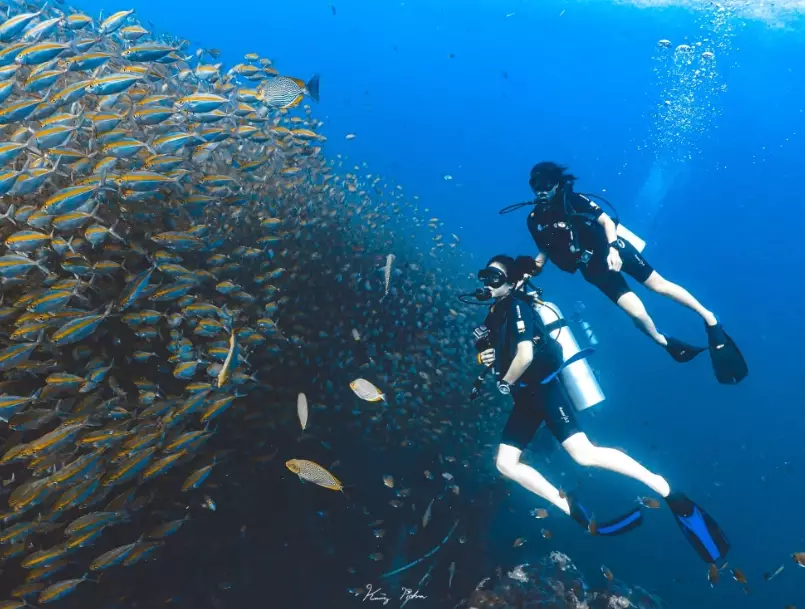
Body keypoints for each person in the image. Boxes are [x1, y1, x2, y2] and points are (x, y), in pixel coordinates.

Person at [475, 254, 730, 563]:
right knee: (505, 464)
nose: (488, 283)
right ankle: (571, 508)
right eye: (485, 275)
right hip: (525, 398)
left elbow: (525, 355)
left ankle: (662, 486)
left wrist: (505, 382)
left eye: (495, 277)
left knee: (585, 454)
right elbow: (493, 351)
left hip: (543, 392)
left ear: (513, 282)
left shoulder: (517, 306)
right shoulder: (495, 313)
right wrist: (484, 357)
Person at [508, 161, 747, 385]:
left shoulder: (575, 201)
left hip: (615, 250)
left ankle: (710, 318)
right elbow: (545, 250)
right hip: (592, 268)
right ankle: (664, 342)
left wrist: (613, 249)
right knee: (636, 313)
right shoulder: (534, 219)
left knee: (658, 285)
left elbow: (606, 222)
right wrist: (526, 274)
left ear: (557, 184)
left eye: (546, 184)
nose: (540, 190)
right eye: (535, 185)